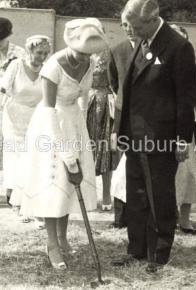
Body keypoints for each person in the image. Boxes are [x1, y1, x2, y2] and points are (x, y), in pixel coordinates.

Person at [112, 0, 196, 273]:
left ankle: (159, 255)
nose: (131, 32)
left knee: (159, 195)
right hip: (133, 136)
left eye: (136, 26)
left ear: (153, 19)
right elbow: (129, 90)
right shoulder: (141, 39)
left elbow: (186, 98)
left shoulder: (178, 47)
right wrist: (119, 131)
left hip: (162, 138)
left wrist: (183, 139)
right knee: (135, 195)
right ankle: (136, 249)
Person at [19, 18, 107, 270]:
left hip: (73, 123)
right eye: (80, 53)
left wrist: (81, 139)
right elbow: (48, 110)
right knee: (53, 182)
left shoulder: (88, 63)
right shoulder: (52, 65)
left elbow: (83, 100)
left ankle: (63, 237)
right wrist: (65, 150)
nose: (83, 58)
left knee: (71, 182)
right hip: (50, 126)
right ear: (70, 45)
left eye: (88, 54)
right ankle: (51, 243)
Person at [1, 35, 51, 228]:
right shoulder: (16, 65)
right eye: (39, 53)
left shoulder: (47, 68)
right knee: (16, 160)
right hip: (13, 118)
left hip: (36, 119)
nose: (42, 57)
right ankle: (16, 204)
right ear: (29, 51)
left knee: (34, 160)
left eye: (46, 53)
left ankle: (32, 205)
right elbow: (3, 88)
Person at [170, 24, 196, 234]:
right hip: (163, 127)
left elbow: (190, 97)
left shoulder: (189, 63)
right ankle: (169, 217)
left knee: (188, 173)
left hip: (184, 126)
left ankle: (185, 219)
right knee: (168, 176)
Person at [108, 12, 137, 228]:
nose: (128, 28)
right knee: (122, 168)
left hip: (148, 120)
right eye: (124, 25)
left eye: (132, 24)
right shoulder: (117, 50)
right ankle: (120, 218)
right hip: (123, 116)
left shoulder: (153, 49)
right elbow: (113, 83)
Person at [86, 18, 114, 211]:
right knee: (83, 149)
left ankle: (106, 196)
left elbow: (116, 80)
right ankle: (85, 196)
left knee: (105, 150)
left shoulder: (110, 53)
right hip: (84, 102)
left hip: (104, 102)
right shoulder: (81, 54)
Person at [0, 17, 25, 187]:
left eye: (1, 39)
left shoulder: (20, 54)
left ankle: (13, 189)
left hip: (11, 108)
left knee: (12, 149)